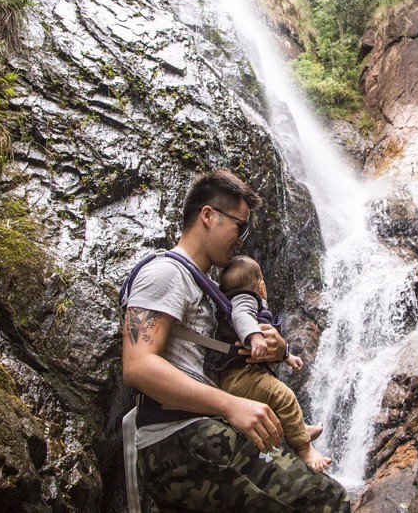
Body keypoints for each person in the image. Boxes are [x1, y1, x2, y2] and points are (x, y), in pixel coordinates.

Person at [122, 169, 350, 512]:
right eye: (239, 226)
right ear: (208, 216)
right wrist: (230, 405)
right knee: (327, 501)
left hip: (200, 429)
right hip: (179, 436)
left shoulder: (210, 286)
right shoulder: (165, 272)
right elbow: (138, 366)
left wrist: (268, 349)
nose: (242, 239)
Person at [215, 255, 332, 471]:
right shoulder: (245, 299)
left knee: (276, 402)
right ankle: (305, 449)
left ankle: (298, 428)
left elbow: (269, 339)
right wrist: (255, 337)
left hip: (241, 376)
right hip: (239, 377)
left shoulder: (234, 299)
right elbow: (243, 317)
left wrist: (287, 356)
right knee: (283, 397)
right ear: (260, 285)